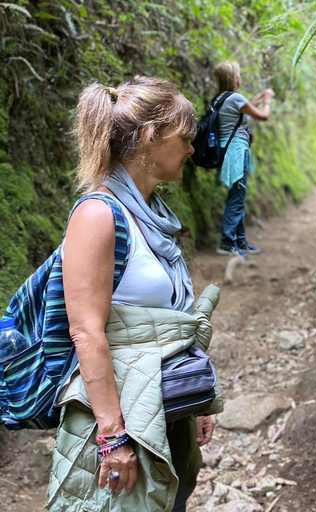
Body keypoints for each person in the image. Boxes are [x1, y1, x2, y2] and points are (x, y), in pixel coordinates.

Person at [49, 76, 220, 512]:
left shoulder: (155, 216)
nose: (190, 149)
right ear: (149, 137)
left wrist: (194, 400)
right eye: (184, 137)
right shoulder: (97, 215)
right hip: (124, 416)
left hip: (163, 401)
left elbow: (170, 320)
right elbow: (85, 331)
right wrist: (112, 437)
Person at [213, 60, 275, 256]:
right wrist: (267, 101)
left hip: (228, 151)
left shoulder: (221, 98)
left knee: (238, 196)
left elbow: (244, 110)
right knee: (237, 198)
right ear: (233, 78)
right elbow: (263, 116)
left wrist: (257, 99)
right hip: (237, 152)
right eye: (238, 74)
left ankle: (240, 241)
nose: (240, 77)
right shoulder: (236, 99)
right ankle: (227, 242)